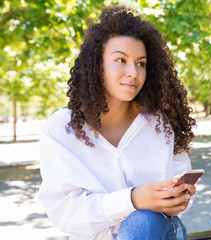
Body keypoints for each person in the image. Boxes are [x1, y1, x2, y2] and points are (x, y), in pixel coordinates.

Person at [38, 5, 197, 240]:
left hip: (159, 232)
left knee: (145, 220)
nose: (133, 71)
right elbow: (64, 212)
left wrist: (180, 198)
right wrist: (132, 199)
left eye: (141, 63)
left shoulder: (160, 123)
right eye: (120, 60)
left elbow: (181, 179)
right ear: (96, 65)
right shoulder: (61, 129)